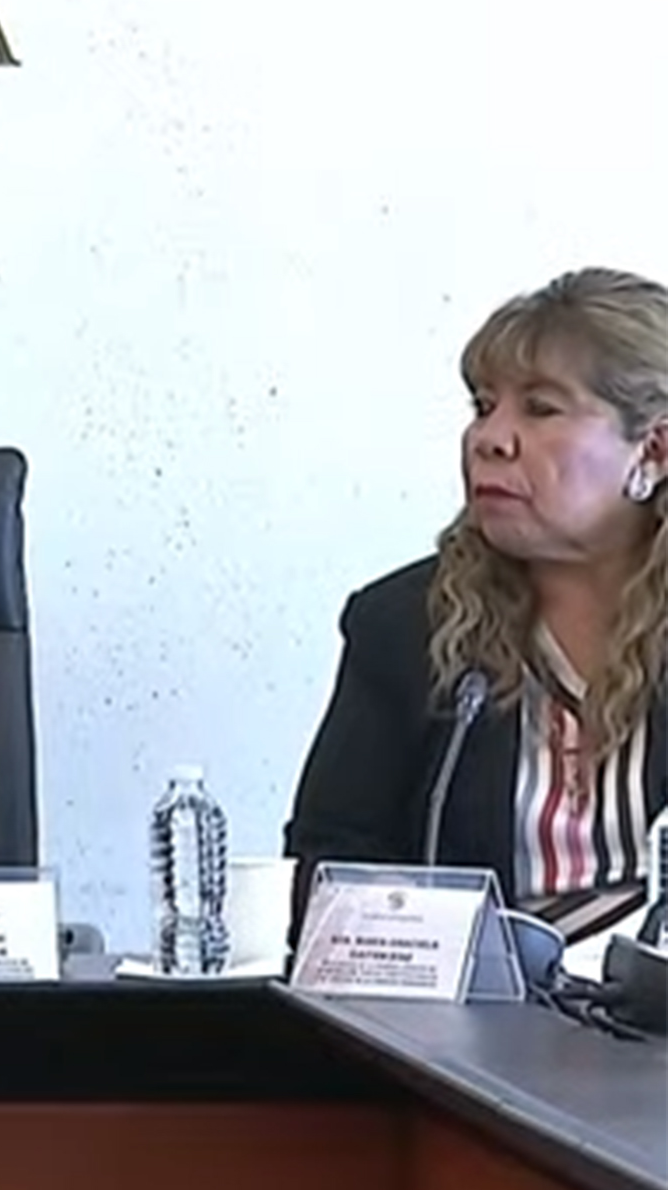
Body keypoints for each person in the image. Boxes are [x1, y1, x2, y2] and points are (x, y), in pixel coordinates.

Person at [285, 268, 668, 940]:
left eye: (540, 409)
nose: (490, 439)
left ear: (655, 448)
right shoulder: (404, 625)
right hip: (478, 1002)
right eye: (483, 406)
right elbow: (328, 868)